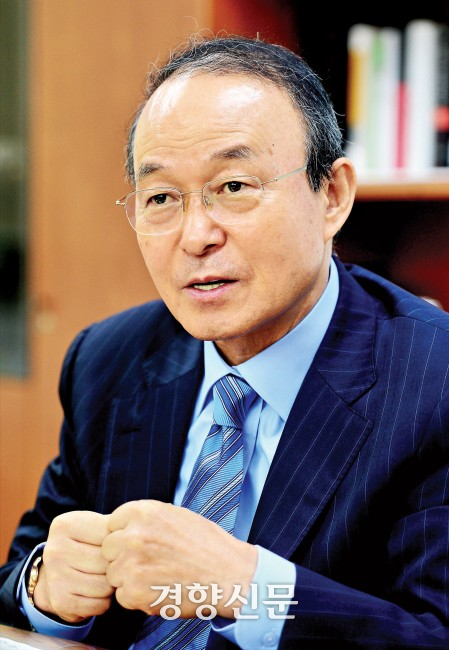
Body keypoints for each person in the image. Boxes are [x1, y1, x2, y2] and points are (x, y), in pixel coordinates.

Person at [1, 33, 449, 650]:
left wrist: (245, 589)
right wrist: (45, 589)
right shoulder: (109, 360)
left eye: (234, 187)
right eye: (161, 197)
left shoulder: (433, 380)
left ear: (332, 196)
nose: (196, 236)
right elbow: (24, 574)